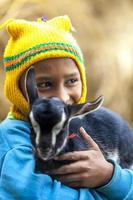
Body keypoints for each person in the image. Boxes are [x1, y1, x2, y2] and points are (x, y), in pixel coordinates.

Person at [0, 15, 133, 200]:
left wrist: (110, 176)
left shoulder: (84, 126)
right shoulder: (14, 143)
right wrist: (109, 189)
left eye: (71, 81)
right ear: (21, 89)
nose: (62, 97)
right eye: (45, 84)